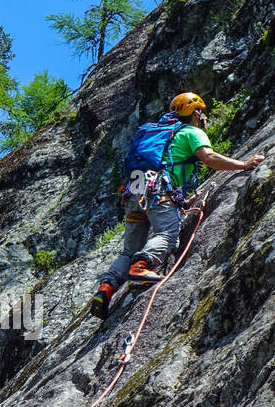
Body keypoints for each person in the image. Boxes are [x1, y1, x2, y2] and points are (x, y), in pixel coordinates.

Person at [90, 92, 265, 319]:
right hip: (157, 191)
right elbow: (209, 157)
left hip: (135, 192)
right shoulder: (192, 132)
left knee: (128, 250)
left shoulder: (165, 134)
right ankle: (142, 265)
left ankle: (106, 288)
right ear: (197, 113)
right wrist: (244, 164)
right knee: (168, 234)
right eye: (203, 112)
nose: (205, 117)